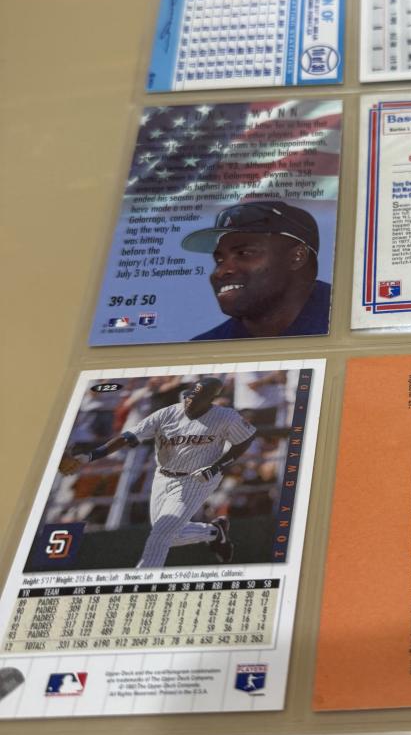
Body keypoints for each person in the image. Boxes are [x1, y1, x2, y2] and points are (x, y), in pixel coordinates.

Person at [58, 378, 256, 568]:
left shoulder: (225, 416)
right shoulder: (167, 413)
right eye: (188, 396)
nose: (189, 401)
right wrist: (89, 457)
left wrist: (217, 466)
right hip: (163, 476)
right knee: (170, 534)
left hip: (196, 479)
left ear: (210, 400)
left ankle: (142, 580)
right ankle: (214, 532)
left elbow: (246, 439)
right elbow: (127, 437)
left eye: (195, 399)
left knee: (161, 534)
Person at [181, 200, 331, 339]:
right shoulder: (207, 347)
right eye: (219, 260)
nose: (219, 272)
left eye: (243, 253)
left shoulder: (343, 318)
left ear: (297, 257)